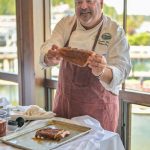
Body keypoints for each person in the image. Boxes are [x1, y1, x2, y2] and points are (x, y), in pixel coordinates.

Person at [40, 0, 131, 132]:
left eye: (89, 1)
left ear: (101, 3)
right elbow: (49, 46)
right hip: (64, 108)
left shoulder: (115, 31)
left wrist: (102, 71)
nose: (83, 6)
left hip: (98, 113)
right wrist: (49, 56)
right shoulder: (66, 24)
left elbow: (123, 70)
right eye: (79, 2)